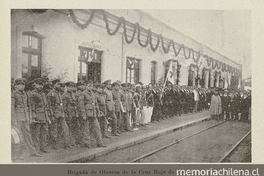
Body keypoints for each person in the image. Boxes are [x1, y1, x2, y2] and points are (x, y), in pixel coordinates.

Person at [11, 78, 42, 160]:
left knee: (28, 135)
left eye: (23, 84)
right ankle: (18, 154)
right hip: (18, 118)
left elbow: (29, 107)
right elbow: (12, 108)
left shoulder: (25, 94)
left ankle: (33, 152)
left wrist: (30, 118)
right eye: (20, 84)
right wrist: (13, 120)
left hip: (25, 117)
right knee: (19, 136)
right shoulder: (13, 94)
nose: (22, 86)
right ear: (16, 85)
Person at [29, 78, 51, 153]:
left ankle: (43, 148)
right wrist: (34, 116)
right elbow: (32, 106)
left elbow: (45, 105)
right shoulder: (33, 94)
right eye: (39, 85)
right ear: (35, 85)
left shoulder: (43, 93)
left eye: (41, 85)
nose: (40, 86)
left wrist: (47, 115)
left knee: (44, 133)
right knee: (36, 133)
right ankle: (37, 149)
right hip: (37, 115)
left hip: (44, 116)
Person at [62, 81, 81, 147]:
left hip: (74, 113)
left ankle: (76, 141)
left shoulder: (73, 94)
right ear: (66, 87)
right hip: (69, 113)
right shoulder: (65, 95)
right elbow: (64, 107)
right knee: (69, 128)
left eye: (72, 87)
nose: (71, 88)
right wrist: (67, 114)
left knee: (76, 127)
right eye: (70, 87)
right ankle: (69, 143)